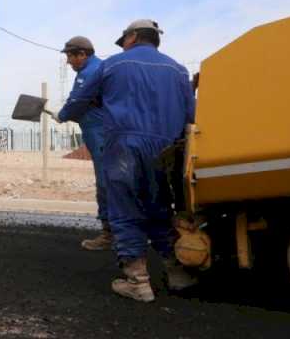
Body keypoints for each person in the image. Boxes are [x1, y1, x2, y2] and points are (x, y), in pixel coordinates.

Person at [61, 19, 196, 302]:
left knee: (125, 209)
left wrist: (64, 114)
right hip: (166, 150)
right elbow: (190, 117)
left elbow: (80, 100)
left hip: (124, 146)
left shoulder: (113, 65)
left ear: (133, 37)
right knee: (160, 208)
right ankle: (177, 273)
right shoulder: (178, 69)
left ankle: (138, 282)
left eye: (124, 40)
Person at [52, 36, 111, 251]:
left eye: (70, 56)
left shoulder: (89, 72)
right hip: (103, 131)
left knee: (106, 182)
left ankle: (110, 234)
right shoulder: (99, 69)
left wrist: (62, 115)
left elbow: (78, 100)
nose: (68, 61)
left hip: (101, 134)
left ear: (82, 54)